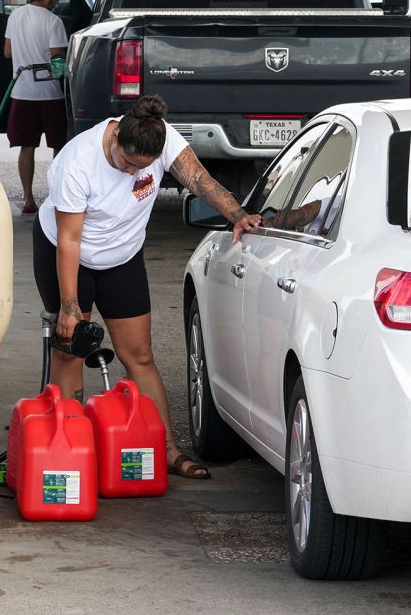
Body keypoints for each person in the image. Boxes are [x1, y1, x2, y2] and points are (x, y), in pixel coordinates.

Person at [35, 95, 263, 480]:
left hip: (122, 255)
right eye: (125, 162)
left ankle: (167, 450)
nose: (129, 172)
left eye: (138, 168)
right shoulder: (76, 162)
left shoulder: (161, 140)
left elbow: (200, 181)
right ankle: (69, 452)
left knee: (139, 355)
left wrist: (237, 214)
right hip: (68, 253)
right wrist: (70, 306)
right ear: (116, 138)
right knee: (71, 351)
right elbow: (70, 240)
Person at [4, 0, 67, 213]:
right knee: (59, 148)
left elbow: (8, 52)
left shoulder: (15, 16)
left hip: (21, 92)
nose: (58, 0)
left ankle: (28, 199)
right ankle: (56, 198)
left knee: (26, 147)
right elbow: (57, 57)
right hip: (50, 94)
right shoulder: (54, 21)